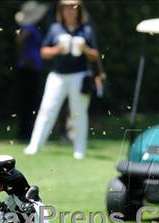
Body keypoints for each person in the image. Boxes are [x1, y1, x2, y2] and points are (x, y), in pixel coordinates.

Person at [24, 0, 103, 159]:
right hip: (57, 75)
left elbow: (95, 55)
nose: (69, 12)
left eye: (73, 9)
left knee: (78, 113)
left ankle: (80, 150)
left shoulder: (86, 29)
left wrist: (84, 49)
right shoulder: (55, 28)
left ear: (78, 11)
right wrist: (58, 49)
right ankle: (34, 146)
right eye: (66, 9)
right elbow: (44, 52)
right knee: (47, 110)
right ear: (61, 11)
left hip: (79, 75)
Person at [13, 1, 48, 140]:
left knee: (28, 102)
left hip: (29, 68)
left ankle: (25, 132)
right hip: (30, 68)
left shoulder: (26, 26)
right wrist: (26, 59)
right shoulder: (30, 27)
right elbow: (20, 42)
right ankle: (25, 133)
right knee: (29, 102)